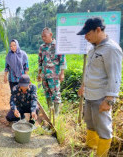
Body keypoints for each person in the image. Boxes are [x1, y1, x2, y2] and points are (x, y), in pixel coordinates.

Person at [77, 17, 122, 157]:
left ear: (98, 30)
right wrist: (83, 85)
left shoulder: (112, 49)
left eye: (87, 33)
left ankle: (101, 155)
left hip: (101, 97)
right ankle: (90, 149)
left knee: (103, 128)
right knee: (89, 123)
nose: (85, 37)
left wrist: (109, 100)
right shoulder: (93, 49)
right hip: (90, 94)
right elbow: (90, 71)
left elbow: (114, 76)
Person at [37, 27, 66, 115]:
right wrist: (39, 74)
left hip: (54, 76)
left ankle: (56, 114)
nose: (43, 38)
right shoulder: (42, 47)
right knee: (47, 93)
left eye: (45, 36)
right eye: (42, 36)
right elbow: (40, 62)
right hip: (45, 75)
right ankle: (50, 112)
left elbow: (62, 60)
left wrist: (62, 73)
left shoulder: (58, 46)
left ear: (50, 34)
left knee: (56, 94)